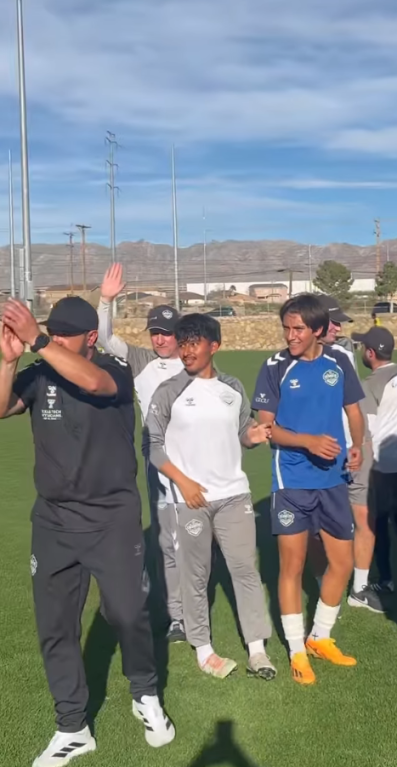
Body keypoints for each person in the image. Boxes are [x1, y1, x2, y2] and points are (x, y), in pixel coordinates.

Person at [0, 297, 174, 767]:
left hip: (110, 518)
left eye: (63, 335)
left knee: (127, 612)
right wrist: (10, 360)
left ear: (90, 338)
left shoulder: (115, 370)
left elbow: (93, 383)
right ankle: (72, 727)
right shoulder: (40, 374)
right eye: (50, 333)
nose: (53, 340)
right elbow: (0, 407)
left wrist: (36, 339)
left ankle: (145, 692)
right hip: (53, 521)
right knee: (55, 627)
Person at [146, 314, 275, 680]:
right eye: (182, 343)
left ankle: (257, 650)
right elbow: (153, 447)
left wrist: (254, 435)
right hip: (191, 500)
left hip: (234, 495)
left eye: (194, 343)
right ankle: (204, 649)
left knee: (245, 571)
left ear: (213, 346)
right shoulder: (168, 391)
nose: (186, 350)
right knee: (195, 575)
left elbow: (241, 434)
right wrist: (184, 483)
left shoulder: (232, 388)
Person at [253, 294, 365, 685]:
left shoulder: (340, 362)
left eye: (298, 328)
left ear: (319, 330)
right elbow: (267, 428)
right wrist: (308, 441)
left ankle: (321, 636)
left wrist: (357, 446)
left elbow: (353, 411)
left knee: (342, 563)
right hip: (292, 482)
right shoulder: (275, 367)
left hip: (333, 480)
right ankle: (297, 650)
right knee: (292, 567)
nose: (290, 335)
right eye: (286, 328)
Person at [98, 262, 186, 643]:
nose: (161, 340)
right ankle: (176, 616)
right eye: (156, 333)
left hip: (197, 457)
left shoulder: (194, 363)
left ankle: (190, 605)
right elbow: (104, 338)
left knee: (196, 533)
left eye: (167, 333)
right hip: (158, 457)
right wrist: (105, 300)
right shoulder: (139, 361)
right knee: (167, 536)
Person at [348, 326, 397, 609]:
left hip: (382, 462)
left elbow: (366, 428)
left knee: (374, 521)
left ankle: (386, 579)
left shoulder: (371, 384)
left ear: (370, 352)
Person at [313, 295, 378, 604]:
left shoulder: (341, 353)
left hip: (348, 447)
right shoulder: (289, 359)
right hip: (315, 452)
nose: (338, 327)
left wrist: (358, 442)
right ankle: (323, 584)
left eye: (339, 321)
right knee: (317, 525)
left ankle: (359, 588)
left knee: (363, 516)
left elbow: (352, 406)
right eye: (333, 320)